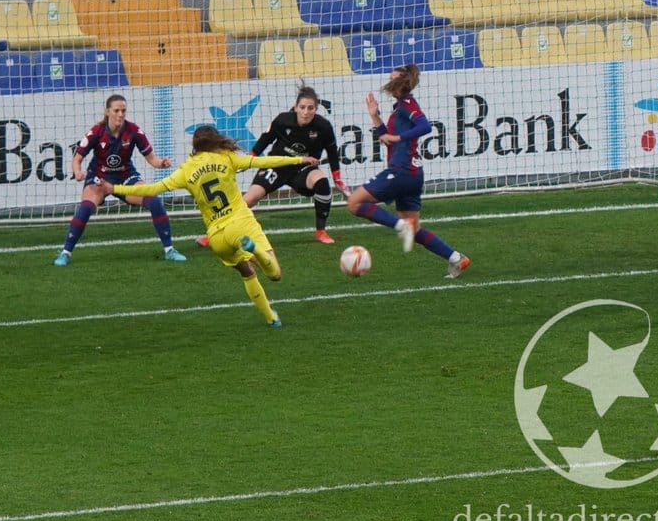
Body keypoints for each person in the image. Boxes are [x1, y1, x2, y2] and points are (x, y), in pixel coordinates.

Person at [111, 125, 315, 327]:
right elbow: (262, 161)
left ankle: (271, 317)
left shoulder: (186, 169)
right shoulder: (226, 156)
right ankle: (255, 250)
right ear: (215, 141)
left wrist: (113, 188)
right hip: (241, 223)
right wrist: (298, 159)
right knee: (275, 274)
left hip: (217, 237)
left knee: (247, 272)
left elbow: (152, 188)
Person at [344, 63, 470, 278]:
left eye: (392, 77)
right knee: (414, 229)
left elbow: (425, 126)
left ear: (400, 81)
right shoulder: (399, 108)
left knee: (354, 203)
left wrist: (397, 137)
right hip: (413, 174)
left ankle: (399, 225)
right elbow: (388, 139)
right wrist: (375, 117)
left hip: (401, 171)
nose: (389, 80)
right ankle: (456, 258)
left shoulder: (407, 103)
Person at [195, 84, 344, 249]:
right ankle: (214, 234)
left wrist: (337, 178)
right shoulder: (282, 120)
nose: (306, 112)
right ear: (295, 107)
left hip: (303, 168)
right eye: (302, 107)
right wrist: (251, 157)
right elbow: (266, 138)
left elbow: (332, 152)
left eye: (311, 108)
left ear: (316, 109)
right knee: (249, 199)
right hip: (277, 165)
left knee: (322, 182)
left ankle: (321, 231)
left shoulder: (323, 127)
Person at [55, 93, 186, 267]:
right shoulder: (96, 132)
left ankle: (169, 250)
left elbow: (152, 159)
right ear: (108, 111)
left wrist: (161, 163)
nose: (120, 114)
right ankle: (65, 253)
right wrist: (78, 172)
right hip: (99, 178)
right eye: (116, 110)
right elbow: (77, 158)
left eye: (123, 110)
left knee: (153, 200)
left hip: (125, 176)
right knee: (85, 207)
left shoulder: (134, 131)